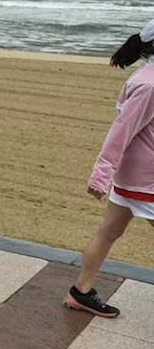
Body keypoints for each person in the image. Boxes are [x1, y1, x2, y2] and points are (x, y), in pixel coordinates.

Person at [64, 20, 154, 318]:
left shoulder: (147, 77)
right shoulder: (149, 84)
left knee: (109, 231)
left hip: (135, 176)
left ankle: (81, 292)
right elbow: (121, 131)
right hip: (144, 180)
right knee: (108, 231)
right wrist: (101, 174)